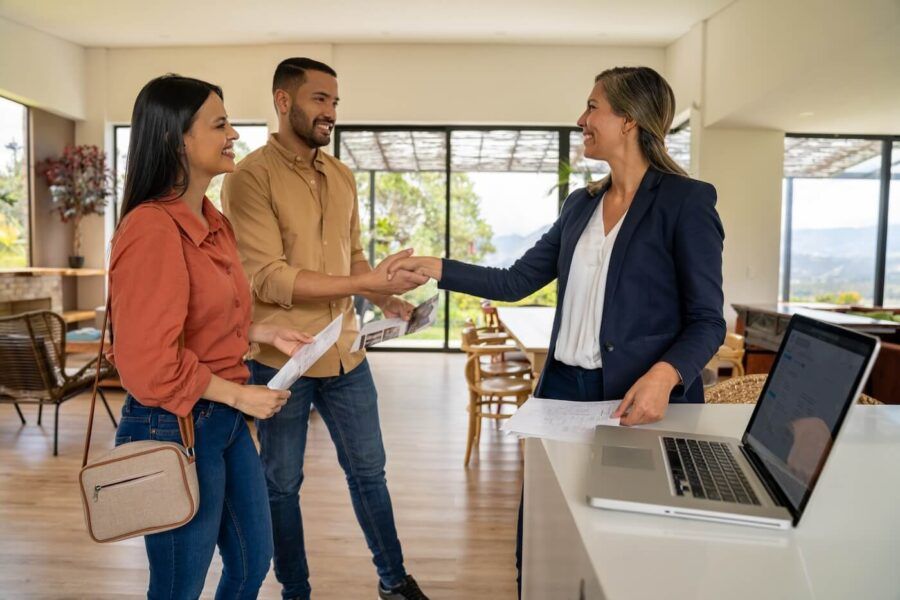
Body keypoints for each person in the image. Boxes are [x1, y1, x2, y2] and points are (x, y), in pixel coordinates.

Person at [389, 66, 726, 596]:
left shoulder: (685, 201)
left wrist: (666, 374)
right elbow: (518, 279)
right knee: (542, 535)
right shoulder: (581, 205)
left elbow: (708, 319)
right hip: (563, 393)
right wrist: (436, 267)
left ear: (630, 120)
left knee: (622, 546)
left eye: (594, 107)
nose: (581, 119)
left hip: (635, 402)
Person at [221, 58, 430, 600]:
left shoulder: (341, 176)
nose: (330, 112)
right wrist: (362, 279)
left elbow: (353, 258)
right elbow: (267, 277)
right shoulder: (249, 179)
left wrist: (386, 296)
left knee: (370, 473)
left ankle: (394, 581)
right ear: (283, 101)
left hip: (346, 355)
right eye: (319, 99)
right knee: (281, 485)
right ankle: (296, 590)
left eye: (334, 101)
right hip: (281, 361)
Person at [108, 74, 316, 599]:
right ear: (177, 138)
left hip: (220, 420)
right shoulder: (151, 229)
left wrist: (262, 331)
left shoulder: (212, 220)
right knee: (180, 585)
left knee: (251, 564)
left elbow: (205, 321)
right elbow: (151, 362)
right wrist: (241, 394)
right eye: (220, 124)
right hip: (172, 423)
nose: (234, 136)